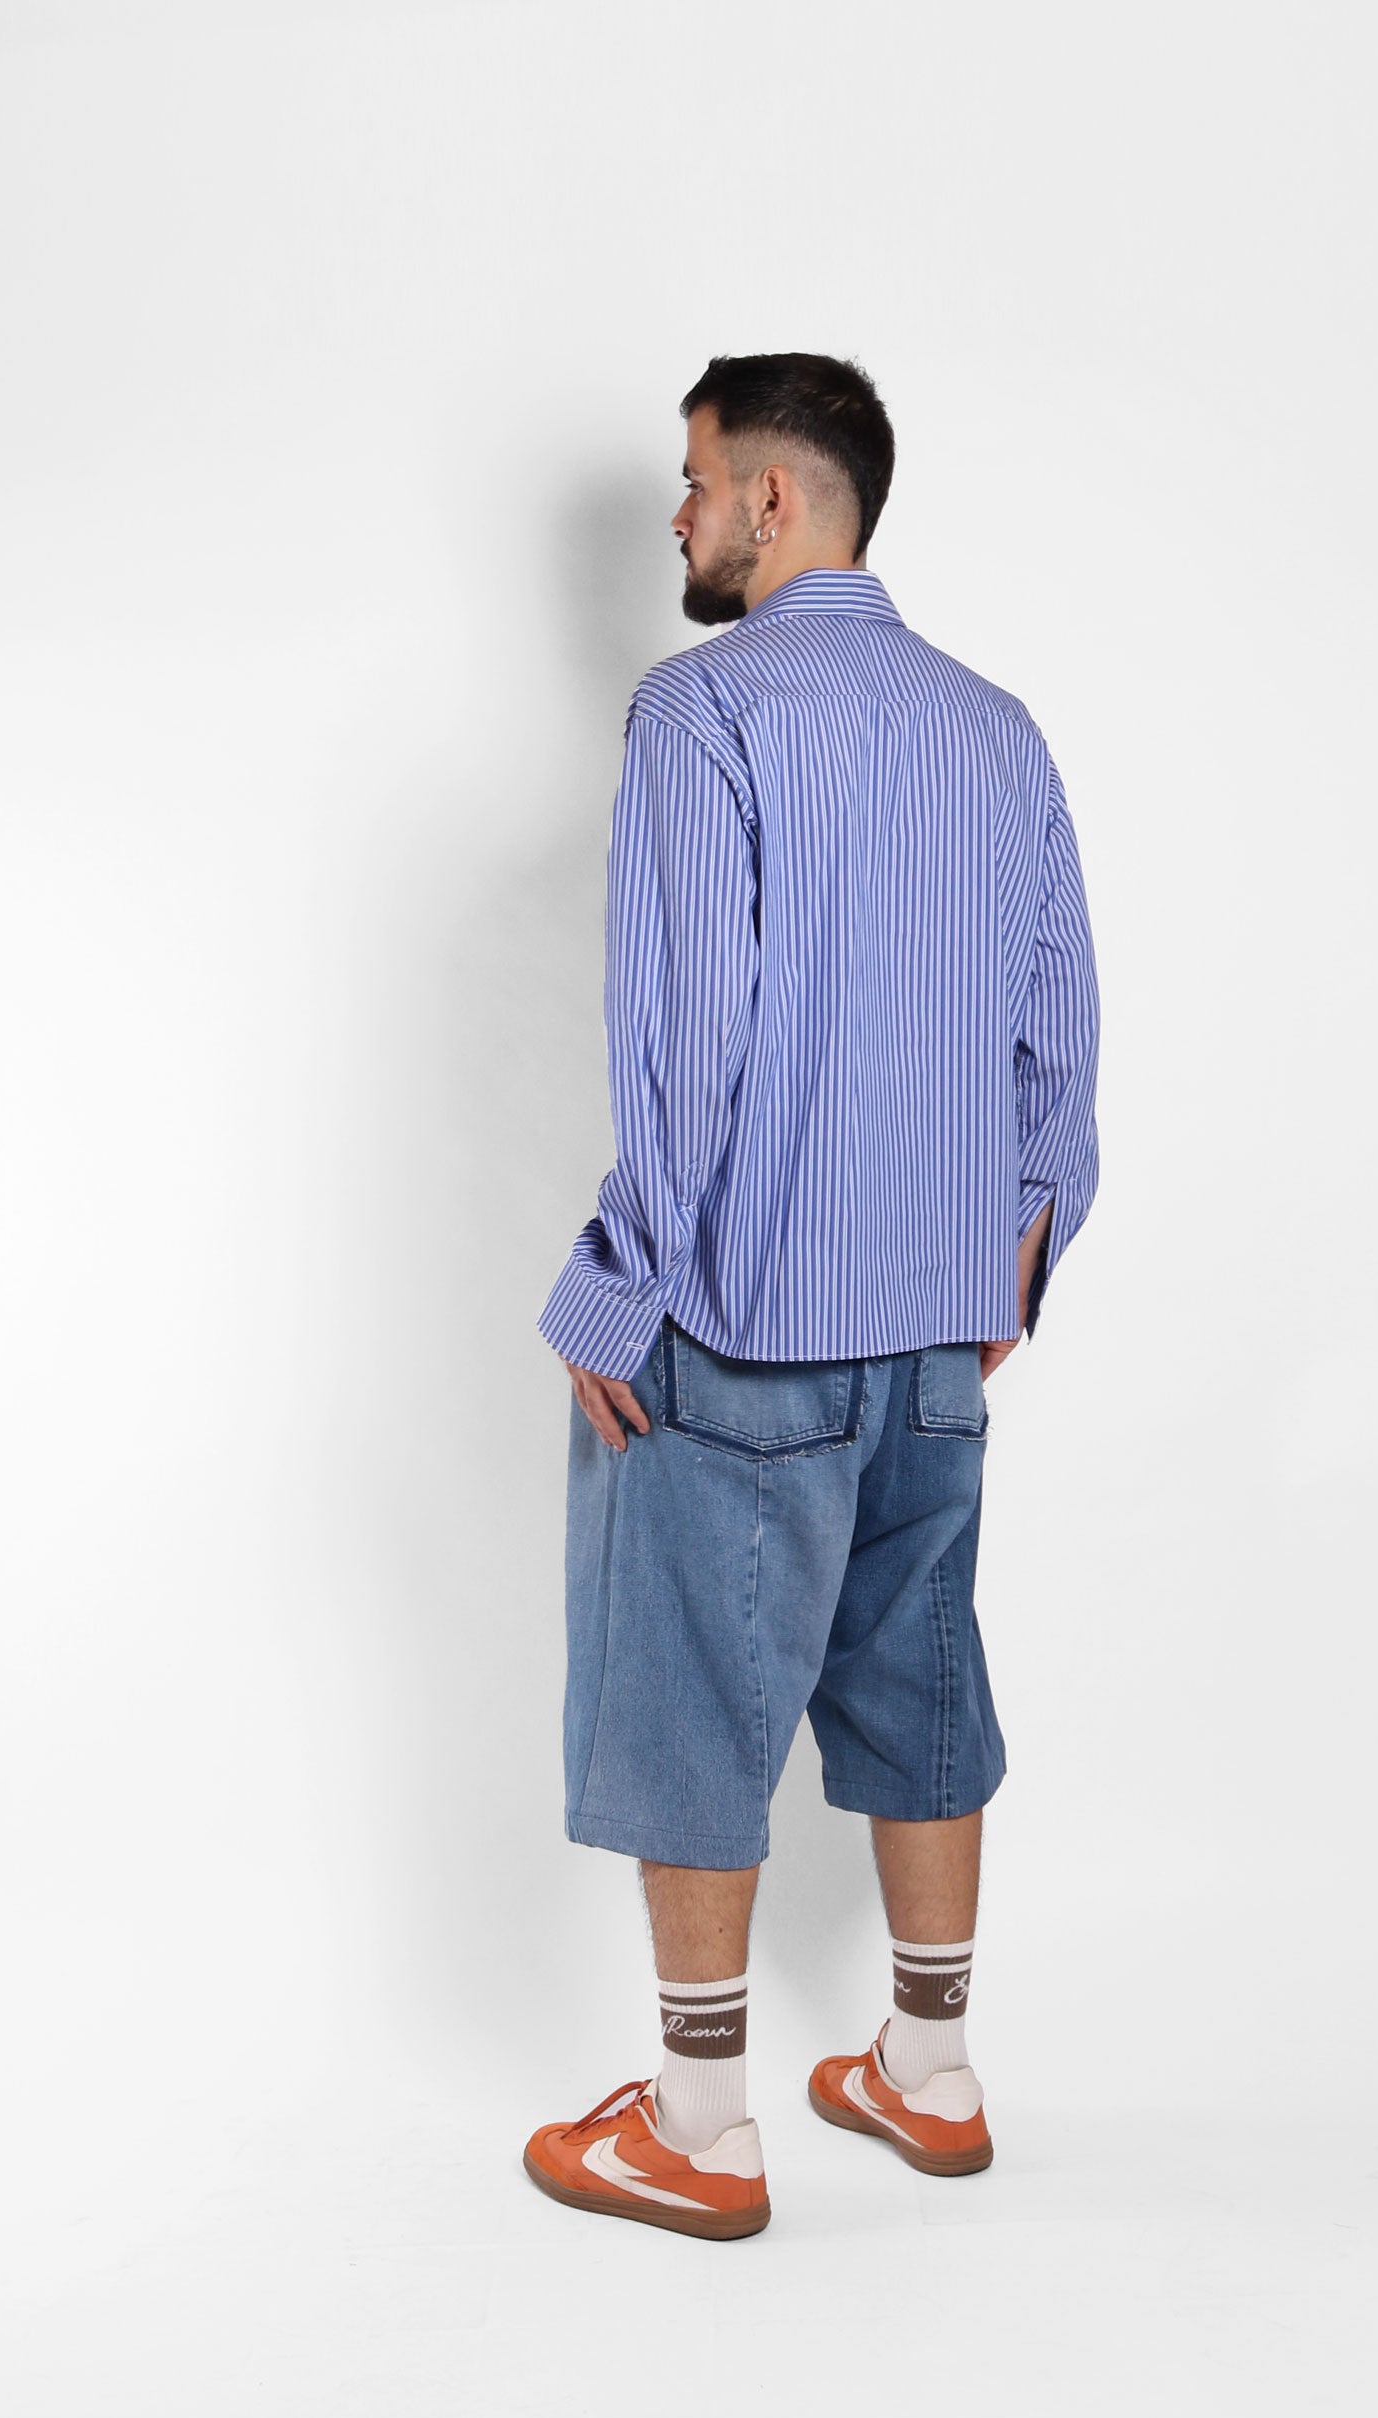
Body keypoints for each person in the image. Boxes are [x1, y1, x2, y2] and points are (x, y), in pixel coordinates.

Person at [525, 352, 1102, 2239]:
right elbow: (1060, 1030)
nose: (679, 515)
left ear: (775, 501)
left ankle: (700, 2128)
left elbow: (685, 1039)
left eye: (696, 483)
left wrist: (620, 1287)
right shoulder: (995, 730)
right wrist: (1022, 1245)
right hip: (938, 1329)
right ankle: (929, 2074)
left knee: (694, 1691)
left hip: (744, 1325)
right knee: (920, 1668)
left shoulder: (704, 714)